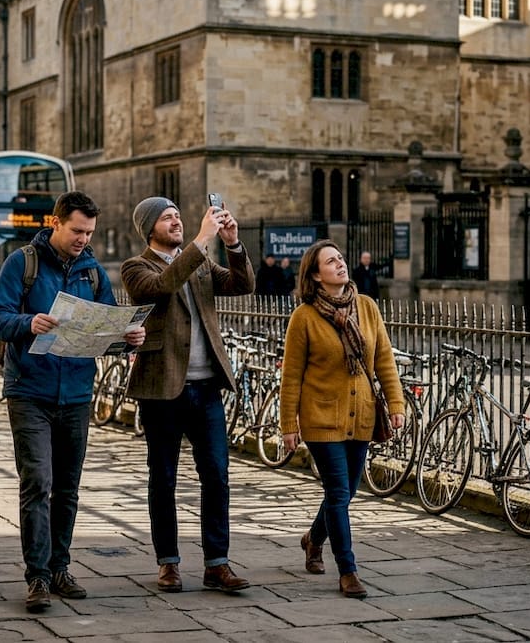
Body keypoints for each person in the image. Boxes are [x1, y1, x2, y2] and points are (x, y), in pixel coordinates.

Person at [0, 191, 146, 614]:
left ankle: (60, 568)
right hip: (30, 392)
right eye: (77, 230)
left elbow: (108, 325)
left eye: (89, 232)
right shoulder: (23, 263)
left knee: (68, 489)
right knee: (37, 482)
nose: (83, 239)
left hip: (76, 393)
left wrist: (127, 337)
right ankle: (37, 576)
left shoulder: (93, 272)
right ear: (55, 222)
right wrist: (27, 322)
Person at [121, 195, 255, 595]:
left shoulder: (197, 263)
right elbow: (161, 286)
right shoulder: (136, 267)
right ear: (148, 228)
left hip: (206, 387)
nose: (176, 221)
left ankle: (217, 564)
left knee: (216, 475)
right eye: (166, 217)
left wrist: (231, 243)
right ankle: (168, 563)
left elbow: (242, 284)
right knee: (163, 479)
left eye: (178, 215)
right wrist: (200, 241)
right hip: (162, 390)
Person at [278, 239, 405, 599]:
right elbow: (291, 375)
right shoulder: (303, 317)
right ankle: (348, 570)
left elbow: (384, 361)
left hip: (361, 414)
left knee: (345, 492)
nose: (340, 264)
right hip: (320, 417)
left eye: (341, 259)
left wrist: (396, 405)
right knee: (337, 491)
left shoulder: (366, 307)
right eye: (330, 262)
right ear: (316, 275)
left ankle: (312, 539)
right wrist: (289, 425)